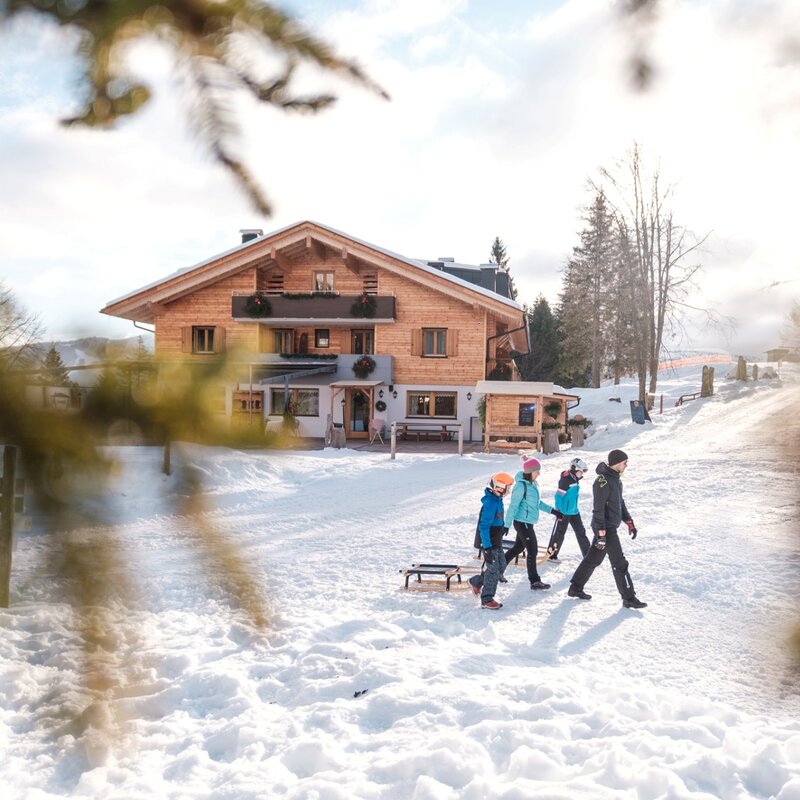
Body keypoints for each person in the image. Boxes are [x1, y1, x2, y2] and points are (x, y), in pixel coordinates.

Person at [567, 449, 647, 609]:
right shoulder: (602, 481)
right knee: (619, 562)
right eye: (624, 462)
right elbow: (598, 509)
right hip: (606, 528)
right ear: (617, 463)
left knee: (593, 559)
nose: (626, 465)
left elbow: (619, 502)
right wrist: (601, 533)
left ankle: (575, 588)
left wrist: (629, 521)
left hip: (608, 526)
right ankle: (629, 598)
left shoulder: (616, 479)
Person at [502, 455, 563, 590]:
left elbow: (537, 503)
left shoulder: (533, 484)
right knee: (532, 550)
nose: (539, 473)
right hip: (522, 522)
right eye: (537, 471)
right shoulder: (521, 486)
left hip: (527, 522)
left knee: (518, 548)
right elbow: (513, 506)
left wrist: (553, 511)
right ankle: (535, 581)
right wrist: (506, 525)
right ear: (530, 472)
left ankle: (498, 571)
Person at [469, 472, 515, 609]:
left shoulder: (497, 499)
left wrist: (502, 527)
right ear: (498, 487)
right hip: (489, 542)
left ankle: (477, 582)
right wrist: (487, 548)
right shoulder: (490, 502)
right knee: (494, 570)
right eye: (507, 488)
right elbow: (484, 526)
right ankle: (487, 599)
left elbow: (497, 519)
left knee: (501, 565)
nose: (508, 491)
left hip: (496, 540)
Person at [547, 457, 591, 560]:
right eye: (581, 471)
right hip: (564, 512)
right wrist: (558, 511)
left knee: (581, 532)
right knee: (560, 533)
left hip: (574, 511)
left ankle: (588, 555)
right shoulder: (566, 480)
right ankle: (552, 555)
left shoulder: (575, 479)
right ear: (575, 469)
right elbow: (558, 496)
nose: (582, 474)